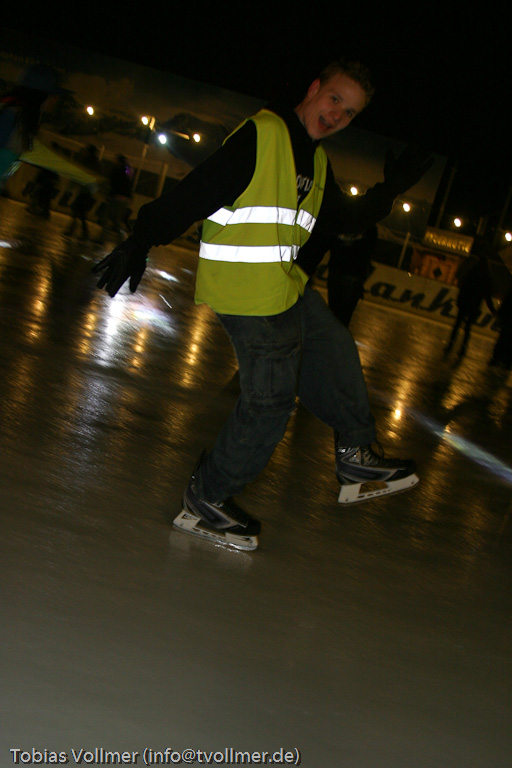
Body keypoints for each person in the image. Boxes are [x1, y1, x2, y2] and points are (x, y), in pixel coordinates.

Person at [92, 58, 433, 550]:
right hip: (245, 290)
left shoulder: (316, 161)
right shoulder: (264, 134)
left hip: (282, 286)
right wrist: (140, 239)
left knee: (334, 344)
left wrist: (390, 190)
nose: (337, 115)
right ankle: (207, 498)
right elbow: (198, 191)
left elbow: (344, 219)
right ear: (314, 89)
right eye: (335, 99)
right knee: (270, 400)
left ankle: (356, 454)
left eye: (350, 113)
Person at [298, 224, 377, 326]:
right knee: (340, 316)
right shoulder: (368, 229)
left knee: (337, 315)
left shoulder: (341, 226)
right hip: (346, 275)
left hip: (342, 274)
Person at [0, 64, 63, 190]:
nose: (55, 101)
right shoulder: (11, 117)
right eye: (52, 96)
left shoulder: (23, 121)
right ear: (40, 95)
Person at [445, 236, 496, 358]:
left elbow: (463, 287)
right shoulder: (486, 278)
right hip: (474, 306)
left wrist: (459, 300)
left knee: (457, 324)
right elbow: (487, 296)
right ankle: (463, 347)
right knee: (467, 327)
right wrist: (493, 310)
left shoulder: (472, 273)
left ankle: (451, 344)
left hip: (465, 303)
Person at [97, 154, 134, 245]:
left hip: (116, 197)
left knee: (105, 217)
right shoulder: (127, 172)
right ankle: (121, 240)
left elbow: (113, 184)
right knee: (117, 220)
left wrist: (109, 195)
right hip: (124, 199)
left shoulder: (117, 171)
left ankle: (103, 238)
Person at [489, 287, 512, 370]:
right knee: (508, 341)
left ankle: (497, 358)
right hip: (508, 319)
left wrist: (500, 313)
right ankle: (507, 361)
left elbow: (506, 303)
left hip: (508, 319)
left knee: (502, 339)